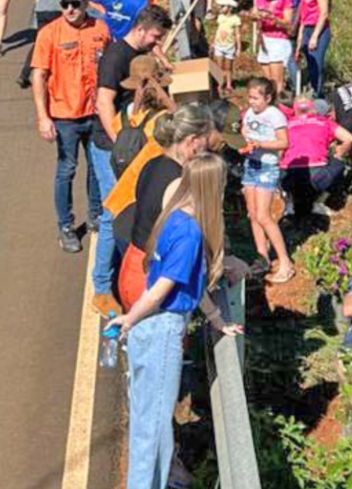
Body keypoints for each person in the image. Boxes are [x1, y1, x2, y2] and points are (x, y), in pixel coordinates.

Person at [117, 153, 241, 489]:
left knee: (146, 425)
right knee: (155, 436)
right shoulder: (191, 235)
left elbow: (189, 282)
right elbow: (160, 292)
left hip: (148, 330)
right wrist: (129, 318)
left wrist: (216, 319)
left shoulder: (173, 219)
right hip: (162, 330)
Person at [92, 6, 173, 308]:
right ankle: (101, 288)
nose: (156, 42)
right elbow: (104, 102)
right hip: (110, 146)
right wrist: (123, 148)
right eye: (155, 37)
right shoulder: (116, 57)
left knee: (127, 209)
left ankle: (122, 272)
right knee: (113, 212)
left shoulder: (141, 57)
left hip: (128, 144)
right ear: (140, 29)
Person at [31, 0, 112, 254]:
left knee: (96, 167)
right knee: (66, 170)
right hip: (64, 116)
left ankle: (96, 215)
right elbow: (38, 76)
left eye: (75, 4)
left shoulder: (100, 30)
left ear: (85, 3)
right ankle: (66, 226)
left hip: (95, 113)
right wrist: (43, 117)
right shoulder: (49, 34)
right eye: (65, 4)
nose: (69, 9)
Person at [116, 103, 213, 311]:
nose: (208, 146)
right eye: (206, 139)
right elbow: (182, 243)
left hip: (132, 265)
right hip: (152, 280)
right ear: (192, 141)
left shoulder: (151, 164)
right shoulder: (179, 185)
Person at [19, 0, 96, 89]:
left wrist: (38, 0)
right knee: (61, 43)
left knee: (41, 42)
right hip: (57, 8)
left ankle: (24, 74)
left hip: (42, 7)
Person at [240, 77, 293, 284]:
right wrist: (243, 137)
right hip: (250, 164)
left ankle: (285, 262)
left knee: (263, 216)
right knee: (253, 215)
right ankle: (262, 257)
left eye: (255, 98)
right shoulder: (249, 113)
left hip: (267, 166)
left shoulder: (275, 115)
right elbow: (246, 131)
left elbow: (284, 142)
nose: (251, 102)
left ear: (268, 98)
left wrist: (259, 143)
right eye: (249, 97)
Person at [281, 97, 352, 218]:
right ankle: (319, 202)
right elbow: (349, 139)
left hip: (288, 178)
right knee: (339, 162)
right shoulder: (324, 122)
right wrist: (338, 154)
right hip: (317, 177)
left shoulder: (285, 125)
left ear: (294, 110)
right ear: (313, 109)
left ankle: (289, 203)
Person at [253, 0, 294, 97]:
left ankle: (279, 102)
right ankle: (270, 102)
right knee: (268, 80)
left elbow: (288, 22)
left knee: (277, 81)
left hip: (279, 39)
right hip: (265, 38)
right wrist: (257, 16)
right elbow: (253, 13)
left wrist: (275, 19)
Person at [210, 0, 241, 97]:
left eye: (223, 6)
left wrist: (239, 48)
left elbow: (237, 34)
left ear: (230, 8)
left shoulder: (236, 19)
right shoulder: (220, 17)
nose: (221, 8)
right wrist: (213, 43)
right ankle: (220, 84)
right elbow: (218, 30)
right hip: (219, 45)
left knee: (228, 67)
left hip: (229, 46)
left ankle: (228, 85)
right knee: (219, 66)